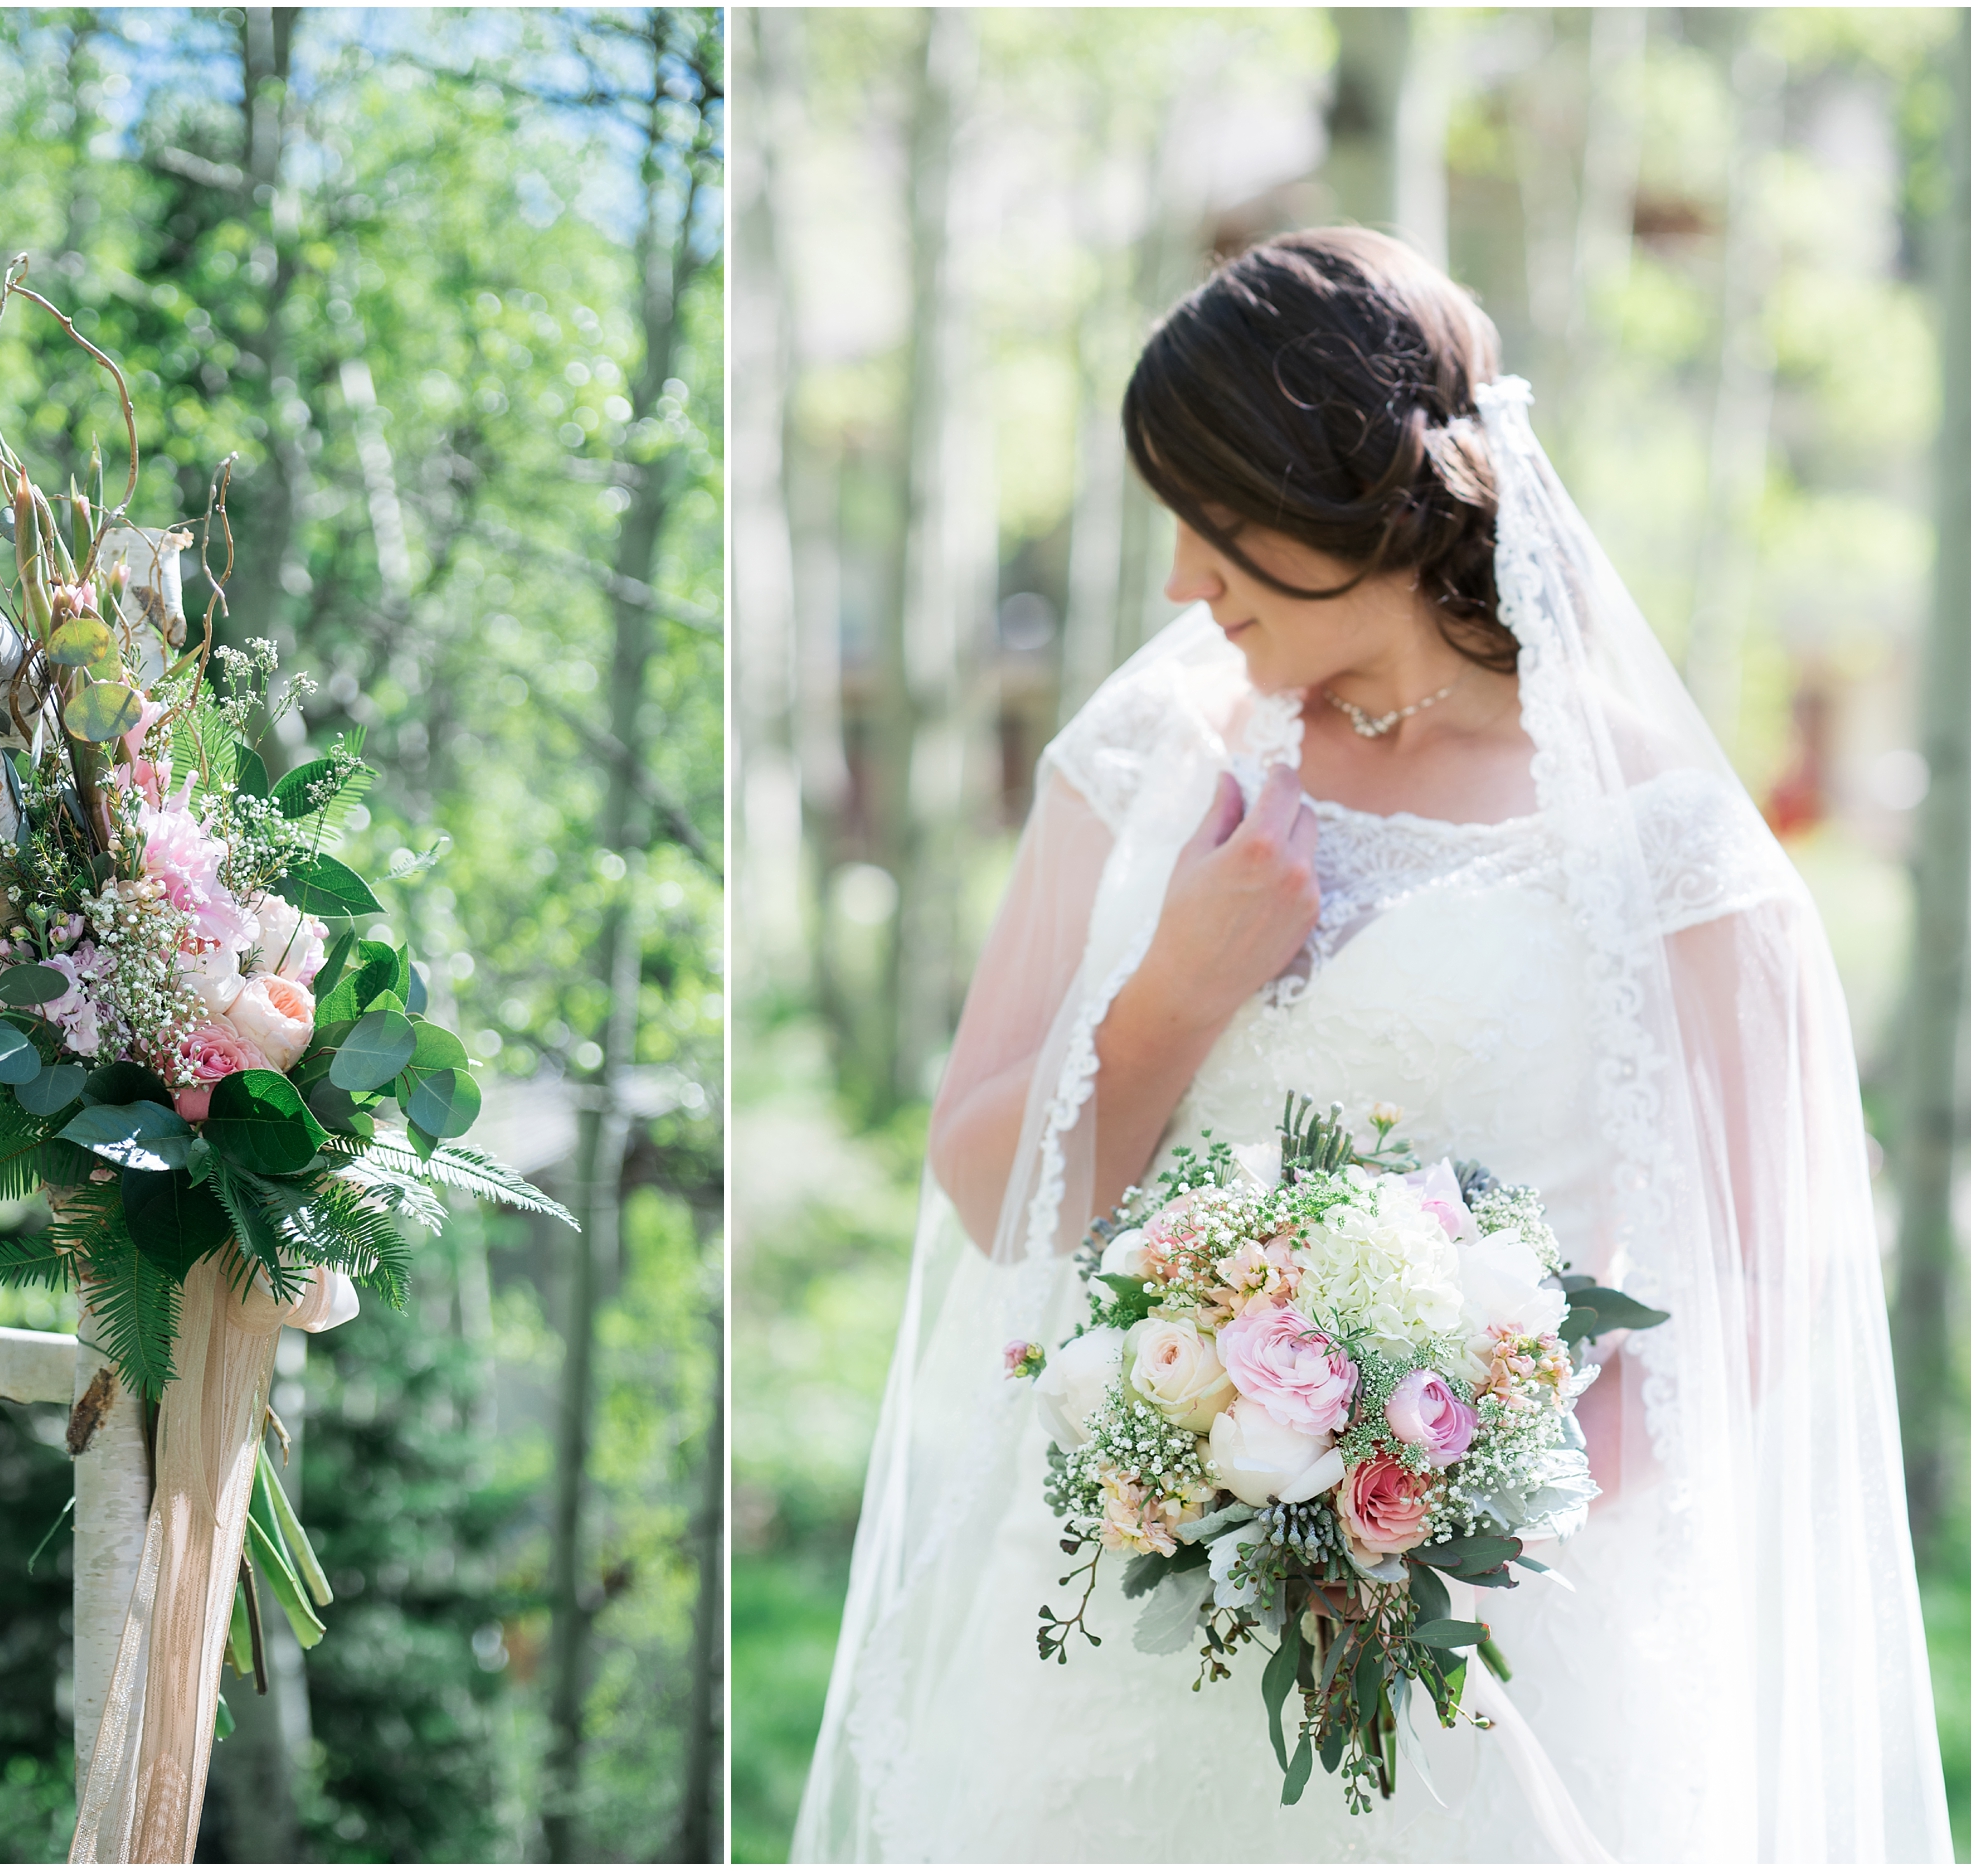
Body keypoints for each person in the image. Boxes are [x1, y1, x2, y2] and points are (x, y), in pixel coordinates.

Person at [791, 229, 1950, 1864]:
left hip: (1500, 1647)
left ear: (1359, 494)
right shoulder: (1152, 758)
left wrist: (1443, 1529)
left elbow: (1763, 1284)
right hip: (1133, 1617)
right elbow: (998, 1192)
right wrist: (1183, 982)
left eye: (1220, 523)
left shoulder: (1663, 839)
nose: (1185, 584)